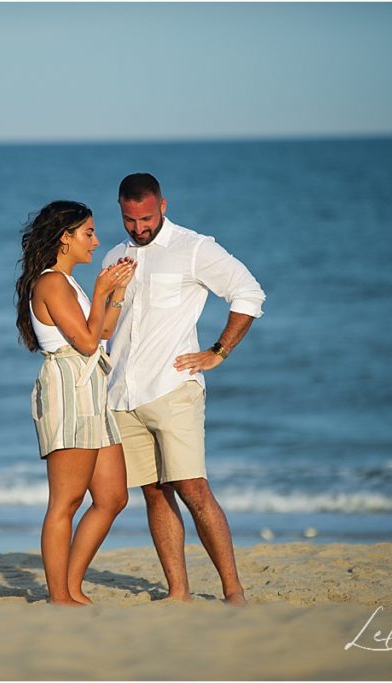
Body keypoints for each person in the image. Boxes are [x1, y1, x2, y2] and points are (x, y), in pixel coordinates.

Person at [101, 173, 265, 605]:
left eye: (146, 217)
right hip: (122, 394)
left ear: (163, 206)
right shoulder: (114, 256)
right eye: (129, 219)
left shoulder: (194, 248)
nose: (139, 228)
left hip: (173, 389)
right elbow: (106, 325)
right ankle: (179, 593)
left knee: (193, 488)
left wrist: (218, 351)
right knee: (153, 492)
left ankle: (233, 591)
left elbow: (249, 293)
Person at [15, 199, 137, 606]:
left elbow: (100, 330)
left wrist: (115, 293)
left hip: (90, 388)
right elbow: (86, 343)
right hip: (67, 388)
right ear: (64, 238)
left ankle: (69, 585)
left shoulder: (70, 284)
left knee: (112, 496)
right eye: (88, 233)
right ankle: (59, 596)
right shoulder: (51, 283)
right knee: (66, 501)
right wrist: (102, 288)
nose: (96, 241)